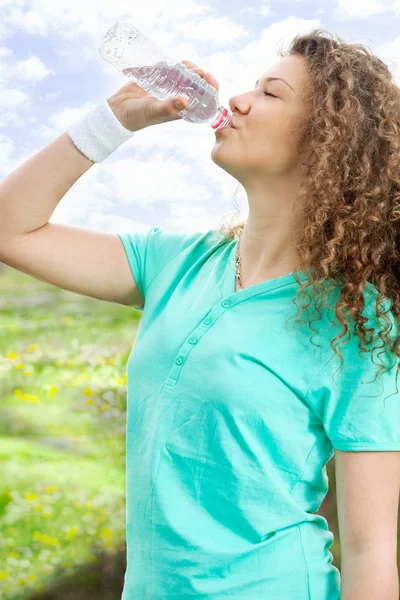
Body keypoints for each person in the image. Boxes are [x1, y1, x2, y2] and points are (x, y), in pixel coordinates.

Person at [0, 28, 399, 600]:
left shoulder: (355, 321)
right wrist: (113, 120)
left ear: (326, 142)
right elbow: (12, 229)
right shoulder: (175, 263)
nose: (236, 100)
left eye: (271, 93)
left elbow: (371, 553)